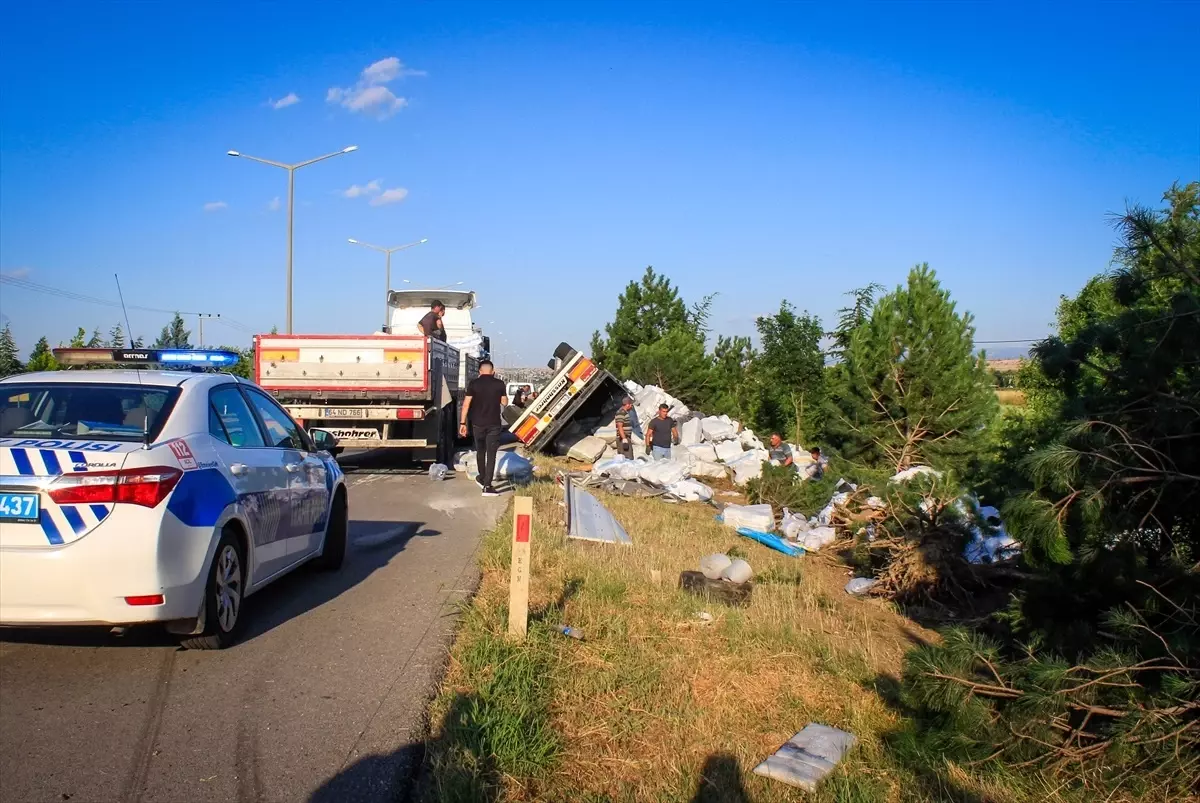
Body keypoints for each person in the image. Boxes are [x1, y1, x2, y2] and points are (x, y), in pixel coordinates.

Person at [460, 360, 508, 497]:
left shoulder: (474, 384)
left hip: (477, 424)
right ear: (493, 372)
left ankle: (481, 477)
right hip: (494, 423)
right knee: (491, 454)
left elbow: (466, 404)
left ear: (480, 372)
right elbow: (504, 402)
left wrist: (462, 423)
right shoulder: (499, 384)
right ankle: (487, 485)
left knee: (480, 451)